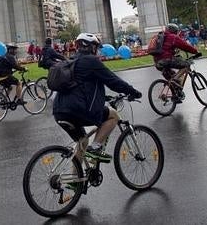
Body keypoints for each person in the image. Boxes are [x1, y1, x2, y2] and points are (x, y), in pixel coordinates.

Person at [53, 33, 143, 162]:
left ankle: (76, 179)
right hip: (77, 110)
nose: (97, 51)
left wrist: (104, 97)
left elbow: (80, 88)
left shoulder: (70, 61)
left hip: (60, 111)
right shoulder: (91, 61)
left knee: (82, 143)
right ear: (91, 47)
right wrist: (133, 91)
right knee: (113, 115)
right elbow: (112, 81)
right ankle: (95, 148)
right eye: (96, 47)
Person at [153, 23, 200, 103]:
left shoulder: (160, 37)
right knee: (186, 65)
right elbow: (185, 46)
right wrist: (195, 51)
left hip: (157, 62)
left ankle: (173, 96)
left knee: (171, 79)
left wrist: (173, 52)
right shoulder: (173, 37)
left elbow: (164, 49)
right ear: (174, 31)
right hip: (167, 59)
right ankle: (175, 80)